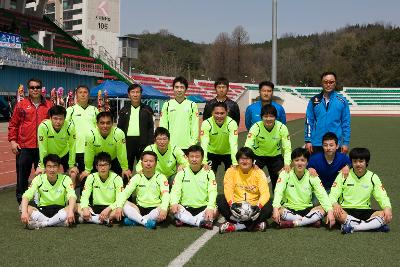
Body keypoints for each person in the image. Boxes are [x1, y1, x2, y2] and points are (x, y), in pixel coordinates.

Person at [8, 78, 52, 205]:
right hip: (24, 146)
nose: (35, 89)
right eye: (32, 87)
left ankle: (43, 201)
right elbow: (13, 124)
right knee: (22, 176)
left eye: (37, 87)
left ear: (41, 89)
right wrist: (13, 141)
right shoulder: (21, 105)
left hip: (43, 148)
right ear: (28, 89)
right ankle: (22, 201)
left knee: (44, 175)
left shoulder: (49, 105)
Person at [329, 147, 392, 234]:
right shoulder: (343, 175)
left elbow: (382, 195)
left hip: (365, 210)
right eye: (355, 161)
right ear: (351, 162)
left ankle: (353, 227)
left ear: (367, 162)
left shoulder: (373, 177)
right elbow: (333, 194)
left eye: (361, 161)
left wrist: (387, 208)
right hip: (346, 209)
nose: (358, 164)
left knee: (385, 215)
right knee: (335, 213)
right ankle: (372, 226)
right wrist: (335, 204)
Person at [272, 148, 335, 229]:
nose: (299, 163)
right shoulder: (285, 174)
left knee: (324, 208)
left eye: (303, 160)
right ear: (292, 162)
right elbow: (278, 191)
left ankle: (295, 223)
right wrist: (275, 208)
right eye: (296, 160)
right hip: (289, 208)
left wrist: (330, 211)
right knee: (278, 208)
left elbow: (322, 194)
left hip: (307, 209)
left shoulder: (312, 175)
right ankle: (309, 221)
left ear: (307, 162)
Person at [217, 147, 273, 233]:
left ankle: (237, 226)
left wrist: (258, 206)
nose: (244, 161)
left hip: (254, 208)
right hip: (236, 207)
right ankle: (255, 224)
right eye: (242, 159)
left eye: (247, 159)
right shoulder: (231, 171)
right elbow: (228, 189)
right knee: (220, 199)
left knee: (270, 203)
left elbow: (265, 193)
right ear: (238, 160)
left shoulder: (259, 172)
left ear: (252, 161)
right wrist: (232, 204)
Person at [114, 151, 170, 229]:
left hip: (155, 208)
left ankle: (136, 220)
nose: (148, 163)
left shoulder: (161, 177)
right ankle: (145, 222)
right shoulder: (137, 177)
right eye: (145, 161)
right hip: (139, 208)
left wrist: (164, 209)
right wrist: (119, 207)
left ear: (156, 163)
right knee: (123, 203)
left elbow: (166, 195)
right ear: (141, 163)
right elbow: (125, 193)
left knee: (166, 206)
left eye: (151, 161)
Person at [20, 154, 76, 229]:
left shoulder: (66, 179)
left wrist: (71, 211)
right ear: (45, 168)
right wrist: (24, 213)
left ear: (59, 167)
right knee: (23, 207)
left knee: (74, 206)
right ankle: (57, 223)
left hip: (60, 210)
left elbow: (72, 195)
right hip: (43, 210)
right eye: (49, 166)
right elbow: (26, 195)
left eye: (54, 166)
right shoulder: (39, 178)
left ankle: (43, 224)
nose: (52, 170)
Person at [244, 104, 292, 190]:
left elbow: (287, 148)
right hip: (258, 156)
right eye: (265, 116)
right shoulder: (256, 127)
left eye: (271, 116)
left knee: (282, 178)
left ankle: (279, 201)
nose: (268, 119)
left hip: (275, 157)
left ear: (275, 117)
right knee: (250, 177)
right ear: (261, 117)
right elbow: (248, 146)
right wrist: (248, 161)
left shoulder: (282, 128)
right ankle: (251, 200)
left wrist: (287, 163)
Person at [170, 145, 217, 229]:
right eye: (191, 156)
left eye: (197, 157)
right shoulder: (182, 172)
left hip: (203, 207)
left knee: (215, 210)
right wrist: (174, 203)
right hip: (185, 207)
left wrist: (210, 207)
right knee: (172, 207)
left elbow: (212, 191)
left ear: (202, 158)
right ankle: (199, 222)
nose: (194, 159)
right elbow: (175, 190)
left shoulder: (209, 172)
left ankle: (186, 220)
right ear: (187, 157)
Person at [304, 71, 351, 154]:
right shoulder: (314, 101)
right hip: (317, 143)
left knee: (335, 167)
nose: (328, 84)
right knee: (316, 167)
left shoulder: (342, 101)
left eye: (331, 82)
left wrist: (346, 143)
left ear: (335, 83)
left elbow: (345, 124)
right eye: (325, 82)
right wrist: (308, 140)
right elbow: (309, 122)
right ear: (321, 83)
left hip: (335, 144)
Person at [81, 111, 131, 181]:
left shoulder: (119, 133)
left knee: (126, 176)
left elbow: (121, 153)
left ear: (112, 124)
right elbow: (89, 154)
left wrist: (125, 168)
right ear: (97, 124)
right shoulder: (91, 135)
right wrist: (87, 170)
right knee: (85, 178)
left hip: (113, 159)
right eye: (102, 123)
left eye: (108, 123)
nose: (105, 126)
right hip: (97, 160)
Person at [77, 152, 123, 226]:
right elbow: (84, 196)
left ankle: (90, 219)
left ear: (110, 166)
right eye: (100, 165)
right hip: (95, 208)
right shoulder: (91, 177)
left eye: (105, 165)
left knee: (123, 206)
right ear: (96, 167)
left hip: (111, 208)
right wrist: (85, 208)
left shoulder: (117, 178)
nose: (103, 168)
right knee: (77, 205)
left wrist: (108, 209)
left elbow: (120, 199)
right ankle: (104, 220)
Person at [36, 105, 78, 184]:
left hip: (64, 153)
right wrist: (42, 166)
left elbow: (72, 146)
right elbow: (42, 148)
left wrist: (72, 164)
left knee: (73, 174)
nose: (58, 122)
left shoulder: (70, 127)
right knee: (39, 173)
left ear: (64, 119)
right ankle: (41, 195)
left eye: (61, 119)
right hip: (49, 155)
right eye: (55, 118)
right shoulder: (44, 127)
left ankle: (71, 194)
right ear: (50, 118)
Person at [117, 83, 154, 172]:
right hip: (127, 144)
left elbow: (151, 128)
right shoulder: (123, 110)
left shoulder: (147, 109)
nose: (135, 94)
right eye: (133, 92)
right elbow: (119, 129)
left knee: (144, 168)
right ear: (129, 95)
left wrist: (150, 144)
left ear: (141, 94)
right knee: (126, 168)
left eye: (137, 92)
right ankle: (126, 185)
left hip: (143, 143)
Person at [159, 76, 199, 154]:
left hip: (187, 146)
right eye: (176, 87)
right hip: (170, 145)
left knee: (186, 166)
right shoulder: (167, 105)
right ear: (173, 88)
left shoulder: (192, 105)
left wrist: (193, 143)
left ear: (186, 89)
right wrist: (164, 141)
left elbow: (194, 126)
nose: (179, 90)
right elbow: (163, 125)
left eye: (182, 87)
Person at [66, 85, 98, 175]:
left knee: (91, 177)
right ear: (76, 95)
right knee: (76, 177)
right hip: (76, 150)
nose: (83, 95)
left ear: (88, 95)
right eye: (80, 92)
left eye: (85, 92)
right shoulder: (70, 110)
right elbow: (63, 127)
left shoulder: (95, 110)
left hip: (92, 149)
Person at [200, 102, 238, 174]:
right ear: (212, 113)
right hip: (212, 152)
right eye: (216, 113)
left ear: (227, 112)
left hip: (228, 153)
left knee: (231, 176)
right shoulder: (206, 123)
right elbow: (204, 143)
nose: (219, 116)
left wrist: (235, 162)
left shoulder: (232, 123)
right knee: (208, 175)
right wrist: (204, 160)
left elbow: (233, 144)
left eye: (222, 113)